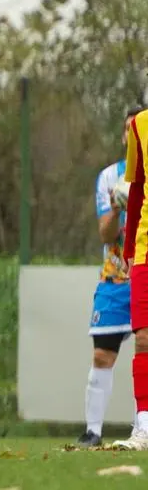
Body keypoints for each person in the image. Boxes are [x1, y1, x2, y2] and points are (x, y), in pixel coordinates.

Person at [78, 107, 141, 447]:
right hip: (116, 279)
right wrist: (117, 207)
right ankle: (93, 432)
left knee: (146, 352)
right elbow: (105, 235)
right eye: (128, 131)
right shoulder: (109, 178)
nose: (133, 136)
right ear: (123, 137)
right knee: (103, 354)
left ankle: (141, 430)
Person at [116, 105, 148, 450]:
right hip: (145, 249)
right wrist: (128, 249)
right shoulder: (140, 125)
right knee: (143, 337)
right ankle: (144, 427)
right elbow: (137, 189)